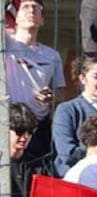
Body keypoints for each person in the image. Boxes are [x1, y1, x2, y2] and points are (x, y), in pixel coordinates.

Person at [5, 0, 65, 162]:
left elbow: (60, 93)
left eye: (37, 8)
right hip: (11, 123)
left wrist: (51, 97)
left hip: (38, 126)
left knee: (37, 169)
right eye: (25, 7)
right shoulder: (6, 45)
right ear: (15, 17)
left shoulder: (52, 55)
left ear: (43, 20)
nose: (31, 11)